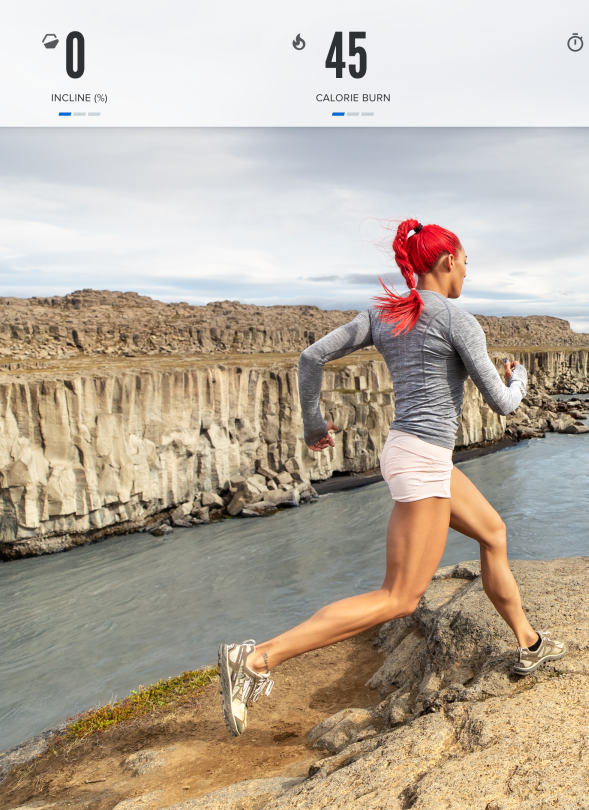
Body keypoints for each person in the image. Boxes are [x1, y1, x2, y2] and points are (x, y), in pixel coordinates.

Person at [216, 219, 566, 737]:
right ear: (447, 261)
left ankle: (530, 644)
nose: (467, 272)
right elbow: (502, 404)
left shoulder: (384, 313)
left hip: (414, 453)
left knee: (493, 533)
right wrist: (520, 379)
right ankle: (257, 659)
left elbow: (310, 356)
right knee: (399, 597)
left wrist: (315, 424)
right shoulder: (459, 321)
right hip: (423, 460)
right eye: (467, 261)